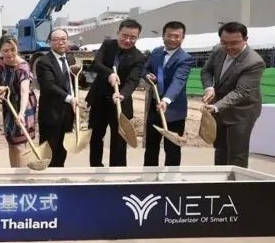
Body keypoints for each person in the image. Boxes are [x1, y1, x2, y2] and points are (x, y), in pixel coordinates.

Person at [201, 22, 265, 168]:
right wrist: (209, 88)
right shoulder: (218, 50)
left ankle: (237, 182)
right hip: (220, 110)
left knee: (237, 153)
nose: (228, 47)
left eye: (234, 43)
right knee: (220, 148)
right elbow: (206, 70)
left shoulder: (254, 62)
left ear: (245, 39)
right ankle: (220, 179)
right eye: (224, 42)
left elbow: (241, 92)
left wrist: (216, 106)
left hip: (242, 112)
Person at [85, 19, 146, 167]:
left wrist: (122, 94)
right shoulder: (107, 45)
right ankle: (96, 168)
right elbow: (96, 64)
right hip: (99, 100)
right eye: (124, 35)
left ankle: (117, 171)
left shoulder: (138, 57)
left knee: (119, 140)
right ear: (118, 33)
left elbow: (133, 80)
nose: (128, 40)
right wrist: (110, 74)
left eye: (133, 37)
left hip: (120, 102)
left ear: (138, 37)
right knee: (96, 137)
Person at [142, 21, 194, 166]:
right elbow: (145, 69)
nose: (172, 39)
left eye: (177, 36)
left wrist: (166, 100)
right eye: (169, 35)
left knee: (172, 149)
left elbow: (178, 81)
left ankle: (171, 177)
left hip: (174, 109)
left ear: (183, 38)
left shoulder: (185, 59)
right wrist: (147, 76)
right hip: (154, 106)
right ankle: (149, 176)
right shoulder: (156, 52)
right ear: (163, 35)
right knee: (151, 146)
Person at [35, 29, 80, 167]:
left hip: (68, 113)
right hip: (51, 113)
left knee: (62, 149)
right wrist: (70, 98)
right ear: (50, 42)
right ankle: (47, 176)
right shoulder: (43, 62)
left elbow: (72, 83)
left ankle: (59, 172)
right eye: (56, 40)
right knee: (49, 150)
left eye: (64, 39)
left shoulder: (70, 59)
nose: (61, 42)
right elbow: (49, 86)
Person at [0, 34, 37, 168]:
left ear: (17, 48)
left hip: (24, 106)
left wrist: (21, 113)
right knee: (11, 142)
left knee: (20, 145)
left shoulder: (23, 67)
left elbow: (24, 91)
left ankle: (21, 177)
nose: (9, 54)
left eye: (13, 49)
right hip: (8, 103)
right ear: (0, 50)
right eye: (5, 50)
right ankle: (13, 173)